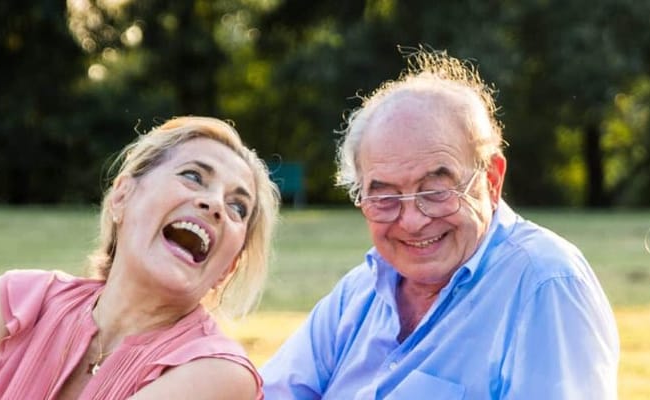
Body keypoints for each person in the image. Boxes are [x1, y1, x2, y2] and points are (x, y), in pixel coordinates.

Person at [257, 50, 619, 399]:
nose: (412, 222)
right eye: (385, 198)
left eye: (435, 191)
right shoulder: (359, 292)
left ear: (492, 179)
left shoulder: (546, 283)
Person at [0, 116, 280, 399]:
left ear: (227, 267)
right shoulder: (15, 303)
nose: (214, 204)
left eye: (238, 207)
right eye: (194, 176)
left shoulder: (219, 374)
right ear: (123, 197)